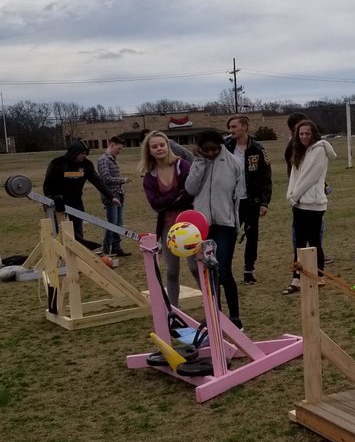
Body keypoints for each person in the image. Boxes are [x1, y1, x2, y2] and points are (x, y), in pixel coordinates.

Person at [185, 128, 245, 327]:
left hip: (225, 224)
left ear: (220, 146)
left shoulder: (234, 164)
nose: (211, 153)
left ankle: (235, 316)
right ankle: (214, 314)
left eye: (214, 149)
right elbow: (190, 188)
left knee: (224, 270)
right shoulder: (198, 163)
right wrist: (200, 163)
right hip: (203, 226)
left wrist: (237, 222)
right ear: (200, 149)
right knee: (209, 272)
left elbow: (239, 196)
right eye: (206, 150)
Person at [140, 130, 194, 306]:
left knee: (195, 267)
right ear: (149, 151)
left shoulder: (183, 165)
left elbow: (190, 193)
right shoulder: (149, 177)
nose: (159, 149)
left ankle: (213, 307)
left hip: (190, 225)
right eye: (154, 146)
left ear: (168, 146)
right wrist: (177, 196)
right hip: (167, 226)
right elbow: (155, 204)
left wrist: (169, 200)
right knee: (172, 271)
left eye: (162, 145)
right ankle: (174, 311)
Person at [283, 120, 336, 294]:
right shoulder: (298, 151)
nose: (304, 137)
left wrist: (296, 195)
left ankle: (319, 275)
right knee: (298, 241)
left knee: (313, 240)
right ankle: (296, 278)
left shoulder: (320, 150)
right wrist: (291, 196)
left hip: (314, 204)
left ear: (314, 133)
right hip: (298, 203)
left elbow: (310, 177)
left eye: (307, 133)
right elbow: (295, 175)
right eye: (301, 134)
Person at [224, 114, 272, 285]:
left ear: (244, 127)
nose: (230, 131)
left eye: (234, 127)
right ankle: (225, 271)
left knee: (251, 236)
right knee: (228, 236)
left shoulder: (258, 150)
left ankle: (248, 271)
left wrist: (264, 202)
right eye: (229, 127)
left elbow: (266, 177)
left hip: (251, 201)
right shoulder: (226, 148)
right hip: (231, 201)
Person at [43, 138, 111, 247]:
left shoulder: (86, 165)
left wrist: (111, 196)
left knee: (77, 230)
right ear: (74, 152)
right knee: (56, 230)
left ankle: (78, 252)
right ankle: (58, 253)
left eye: (86, 154)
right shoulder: (57, 164)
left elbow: (98, 182)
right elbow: (47, 185)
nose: (84, 156)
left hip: (76, 201)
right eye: (82, 153)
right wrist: (51, 199)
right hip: (58, 202)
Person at [96, 135, 130, 257]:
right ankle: (106, 249)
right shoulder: (104, 160)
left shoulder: (113, 159)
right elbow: (106, 179)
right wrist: (122, 180)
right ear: (111, 145)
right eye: (119, 148)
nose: (120, 151)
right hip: (111, 197)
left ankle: (116, 247)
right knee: (112, 224)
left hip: (119, 195)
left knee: (118, 223)